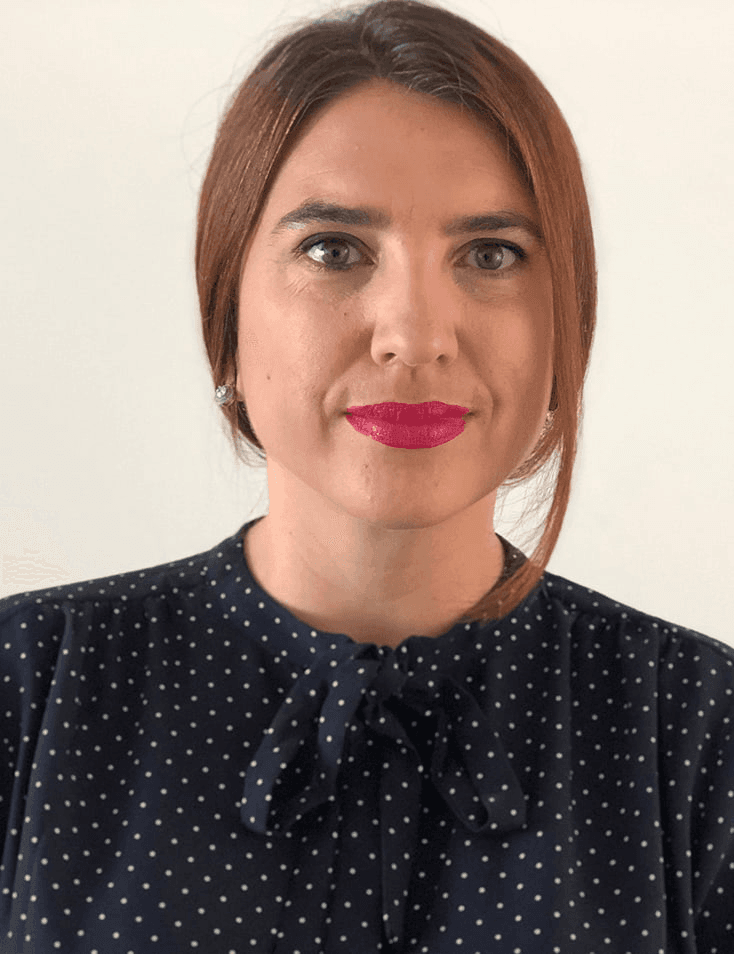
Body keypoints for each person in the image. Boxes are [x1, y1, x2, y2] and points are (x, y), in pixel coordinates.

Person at [1, 1, 731, 951]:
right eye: (333, 250)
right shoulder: (30, 691)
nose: (416, 336)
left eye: (491, 255)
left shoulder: (698, 732)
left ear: (566, 320)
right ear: (225, 308)